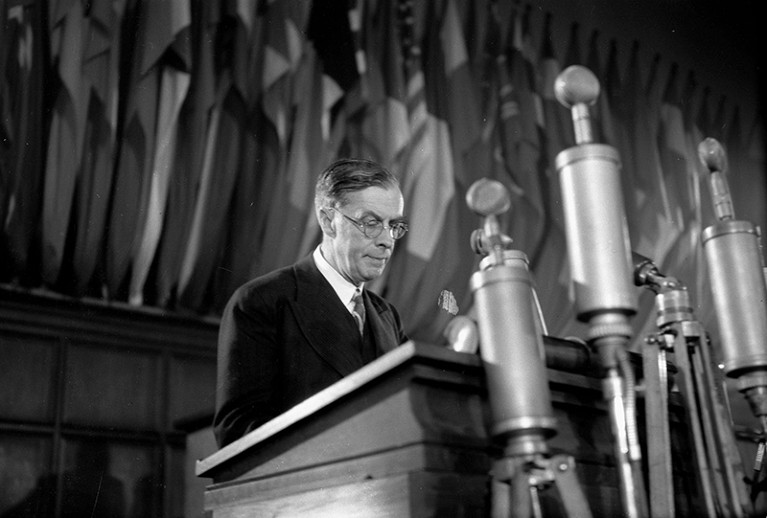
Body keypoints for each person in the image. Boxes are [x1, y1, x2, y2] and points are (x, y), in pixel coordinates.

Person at [213, 158, 410, 447]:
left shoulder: (386, 316)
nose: (387, 241)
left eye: (394, 225)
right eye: (371, 223)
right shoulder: (261, 302)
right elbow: (238, 430)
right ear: (329, 220)